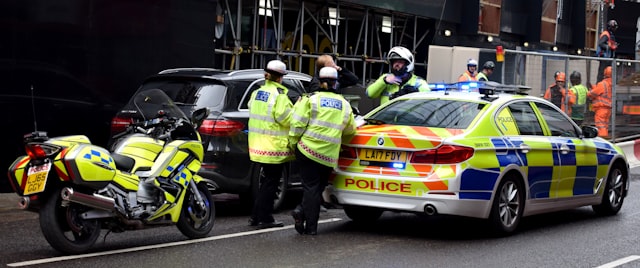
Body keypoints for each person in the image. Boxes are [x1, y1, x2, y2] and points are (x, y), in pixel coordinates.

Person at [289, 67, 357, 235]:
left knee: (310, 187)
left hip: (307, 150)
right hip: (328, 156)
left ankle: (310, 227)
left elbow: (297, 124)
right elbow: (350, 130)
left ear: (319, 82)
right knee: (317, 188)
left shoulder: (310, 100)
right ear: (336, 83)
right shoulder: (344, 104)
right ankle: (303, 215)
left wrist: (293, 143)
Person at [247, 59, 295, 229]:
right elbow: (286, 118)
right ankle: (265, 217)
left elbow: (252, 108)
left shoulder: (257, 93)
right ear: (280, 77)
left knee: (266, 182)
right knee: (271, 183)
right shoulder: (280, 96)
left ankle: (255, 216)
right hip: (273, 146)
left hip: (258, 145)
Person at [588, 66, 613, 138]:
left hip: (601, 109)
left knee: (600, 126)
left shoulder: (602, 84)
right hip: (608, 109)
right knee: (605, 125)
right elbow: (600, 91)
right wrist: (594, 87)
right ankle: (606, 138)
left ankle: (603, 140)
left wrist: (589, 92)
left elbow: (593, 93)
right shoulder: (611, 84)